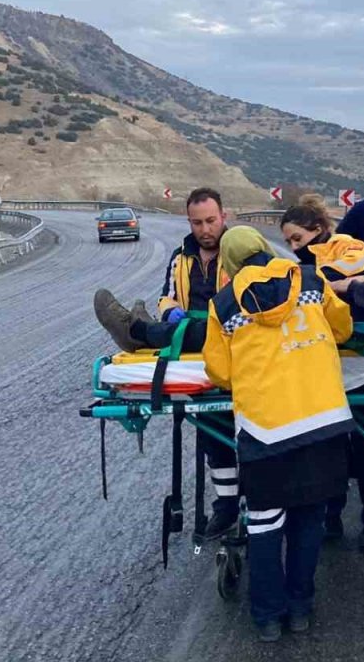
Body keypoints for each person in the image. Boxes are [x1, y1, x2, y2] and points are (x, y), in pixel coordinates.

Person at [202, 226, 354, 642]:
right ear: (266, 249)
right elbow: (343, 329)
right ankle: (301, 608)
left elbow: (219, 372)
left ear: (231, 266)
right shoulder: (309, 278)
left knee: (265, 525)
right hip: (324, 423)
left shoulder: (225, 303)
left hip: (266, 431)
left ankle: (268, 617)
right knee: (310, 519)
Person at [93, 187, 238, 540]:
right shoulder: (181, 257)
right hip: (192, 339)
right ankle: (228, 506)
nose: (205, 229)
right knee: (212, 433)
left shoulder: (241, 253)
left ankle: (138, 330)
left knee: (189, 330)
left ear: (224, 217)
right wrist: (171, 309)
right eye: (197, 222)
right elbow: (168, 293)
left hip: (231, 333)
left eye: (210, 221)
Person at [280, 195, 364, 547]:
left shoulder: (346, 244)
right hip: (326, 365)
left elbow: (348, 270)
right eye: (289, 243)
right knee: (327, 449)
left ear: (317, 230)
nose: (294, 247)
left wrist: (314, 279)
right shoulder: (299, 265)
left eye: (297, 239)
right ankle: (331, 519)